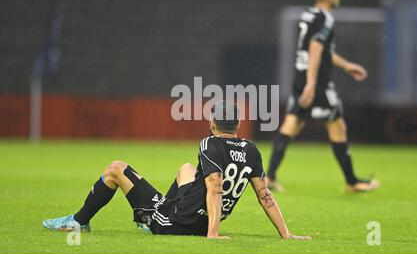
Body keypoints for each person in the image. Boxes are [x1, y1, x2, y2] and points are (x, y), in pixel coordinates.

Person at [43, 101, 311, 240]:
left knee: (116, 169)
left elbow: (215, 187)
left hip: (178, 223)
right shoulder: (251, 149)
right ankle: (146, 215)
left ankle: (79, 222)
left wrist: (213, 235)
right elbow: (265, 195)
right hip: (198, 217)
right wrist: (285, 234)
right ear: (237, 125)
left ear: (212, 123)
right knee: (186, 168)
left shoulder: (209, 142)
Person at [266, 0, 379, 193]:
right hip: (317, 82)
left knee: (291, 125)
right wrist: (312, 83)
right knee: (338, 126)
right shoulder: (325, 18)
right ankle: (352, 181)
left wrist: (346, 66)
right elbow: (316, 47)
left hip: (300, 76)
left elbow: (321, 51)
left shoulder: (308, 14)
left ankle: (269, 176)